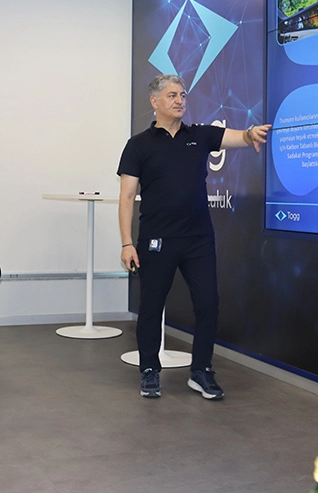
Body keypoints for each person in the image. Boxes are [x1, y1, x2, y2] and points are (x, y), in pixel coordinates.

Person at [117, 74, 270, 399]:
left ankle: (201, 371)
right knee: (151, 306)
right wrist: (127, 243)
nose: (180, 100)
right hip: (157, 239)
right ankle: (149, 370)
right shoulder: (138, 145)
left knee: (208, 303)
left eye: (183, 95)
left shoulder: (200, 135)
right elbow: (127, 196)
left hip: (198, 239)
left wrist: (251, 134)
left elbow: (238, 137)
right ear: (155, 101)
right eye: (172, 95)